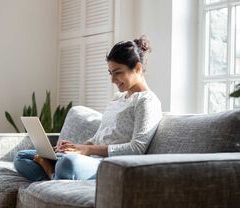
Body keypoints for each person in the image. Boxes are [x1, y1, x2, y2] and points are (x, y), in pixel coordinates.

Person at [13, 35, 162, 181]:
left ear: (137, 68)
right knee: (22, 156)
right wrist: (75, 148)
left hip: (110, 164)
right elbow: (98, 138)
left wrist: (87, 150)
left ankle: (52, 172)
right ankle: (57, 175)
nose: (112, 80)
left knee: (68, 164)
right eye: (110, 73)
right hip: (90, 160)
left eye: (118, 73)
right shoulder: (117, 98)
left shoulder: (147, 101)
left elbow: (136, 149)